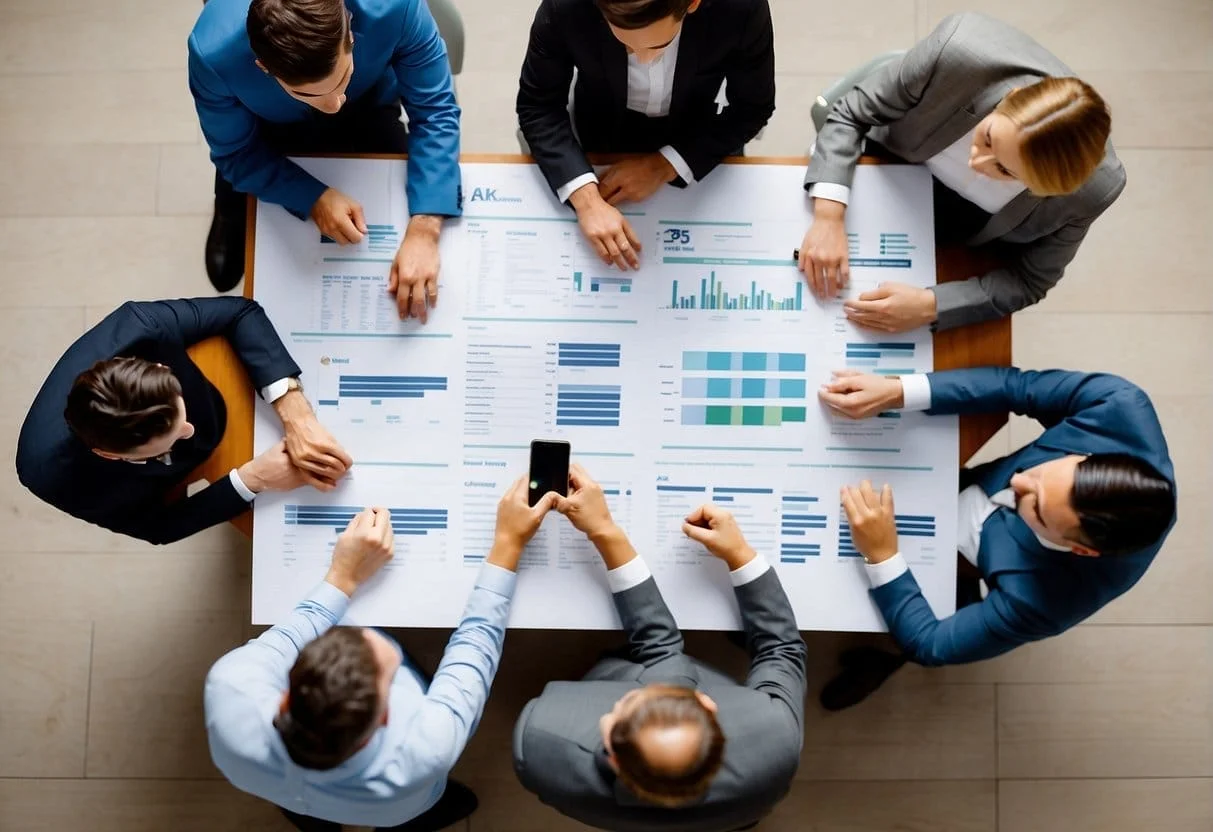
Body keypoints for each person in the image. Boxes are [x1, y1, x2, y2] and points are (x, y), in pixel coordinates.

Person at [205, 478, 559, 831]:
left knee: (311, 814)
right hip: (400, 806)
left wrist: (343, 575)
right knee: (417, 811)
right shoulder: (428, 747)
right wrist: (509, 543)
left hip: (272, 783)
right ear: (386, 717)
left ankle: (313, 818)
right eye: (392, 670)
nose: (370, 633)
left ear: (285, 698)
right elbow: (476, 648)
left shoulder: (230, 688)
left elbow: (287, 635)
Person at [817, 366, 1176, 709]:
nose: (1016, 481)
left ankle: (885, 659)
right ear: (1084, 456)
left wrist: (882, 556)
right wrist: (900, 391)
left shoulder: (1049, 601)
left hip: (965, 564)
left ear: (1079, 549)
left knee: (909, 631)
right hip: (946, 481)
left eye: (1035, 508)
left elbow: (931, 643)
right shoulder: (1117, 405)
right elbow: (1015, 387)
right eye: (1042, 474)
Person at [513, 464, 807, 831]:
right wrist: (741, 555)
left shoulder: (540, 741)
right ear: (707, 704)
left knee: (647, 665)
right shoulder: (775, 741)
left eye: (624, 703)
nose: (626, 697)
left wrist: (604, 531)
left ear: (613, 756)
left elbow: (666, 662)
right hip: (733, 813)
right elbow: (781, 649)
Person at [799, 12, 1125, 332]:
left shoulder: (1092, 192)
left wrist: (930, 306)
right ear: (1009, 98)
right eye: (988, 139)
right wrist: (828, 217)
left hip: (965, 235)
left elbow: (1029, 280)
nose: (977, 163)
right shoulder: (958, 53)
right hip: (887, 162)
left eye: (1005, 170)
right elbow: (852, 112)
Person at [189, 0, 461, 322]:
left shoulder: (396, 6)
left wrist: (426, 227)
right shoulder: (213, 54)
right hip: (264, 127)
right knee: (237, 190)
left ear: (350, 31)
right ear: (263, 66)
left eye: (342, 77)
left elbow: (435, 110)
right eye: (308, 93)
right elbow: (236, 152)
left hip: (369, 102)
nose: (333, 105)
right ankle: (229, 213)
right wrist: (312, 198)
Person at [15, 298, 350, 545]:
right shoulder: (54, 480)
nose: (190, 431)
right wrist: (253, 478)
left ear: (160, 369)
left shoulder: (142, 326)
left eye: (180, 412)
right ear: (109, 455)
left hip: (228, 398)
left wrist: (297, 415)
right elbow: (156, 527)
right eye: (169, 440)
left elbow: (239, 312)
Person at [517, 0, 774, 271]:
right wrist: (587, 201)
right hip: (599, 137)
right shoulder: (566, 6)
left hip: (700, 140)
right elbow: (538, 105)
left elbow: (751, 108)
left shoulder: (740, 7)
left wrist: (665, 165)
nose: (641, 60)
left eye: (657, 47)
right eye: (625, 45)